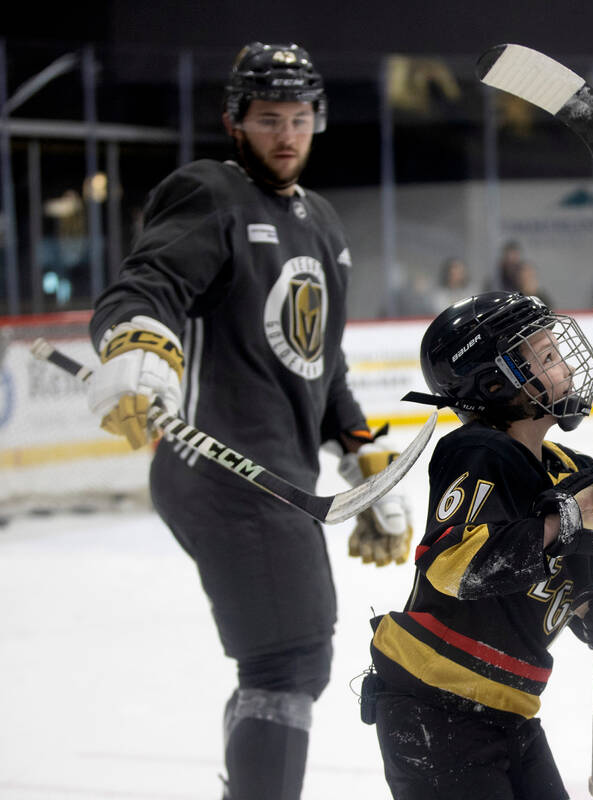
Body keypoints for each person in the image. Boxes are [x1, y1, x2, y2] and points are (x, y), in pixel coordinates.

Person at [85, 42, 413, 800]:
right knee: (289, 661)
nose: (287, 135)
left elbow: (320, 366)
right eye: (269, 119)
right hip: (223, 471)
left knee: (292, 664)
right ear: (235, 122)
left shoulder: (323, 223)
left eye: (300, 119)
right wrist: (137, 336)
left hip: (282, 482)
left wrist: (363, 455)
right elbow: (147, 284)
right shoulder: (210, 194)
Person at [363, 291, 593, 799]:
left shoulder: (568, 470)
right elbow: (458, 567)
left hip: (508, 710)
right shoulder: (477, 451)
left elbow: (558, 582)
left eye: (554, 351)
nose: (561, 364)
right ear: (494, 384)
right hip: (435, 708)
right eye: (541, 357)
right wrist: (567, 519)